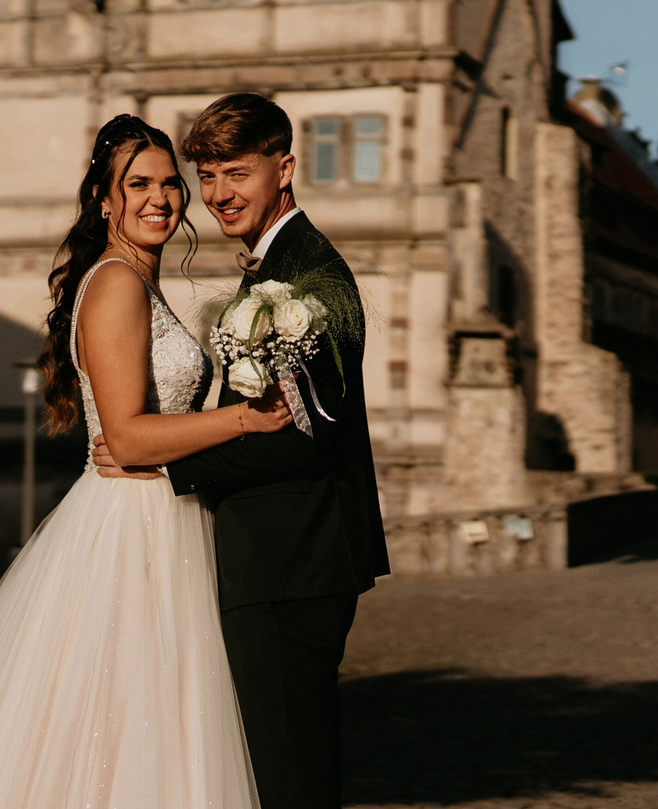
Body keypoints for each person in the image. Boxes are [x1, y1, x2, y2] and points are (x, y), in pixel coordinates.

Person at [0, 115, 288, 809]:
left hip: (161, 510)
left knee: (136, 723)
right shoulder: (118, 282)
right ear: (103, 196)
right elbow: (123, 438)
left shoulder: (134, 281)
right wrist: (248, 416)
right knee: (117, 720)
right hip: (132, 526)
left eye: (168, 184)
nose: (161, 198)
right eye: (138, 184)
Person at [93, 94, 388, 809]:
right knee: (277, 768)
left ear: (283, 168)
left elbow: (301, 436)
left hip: (292, 557)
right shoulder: (272, 267)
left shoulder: (310, 277)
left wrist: (164, 459)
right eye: (210, 175)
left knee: (291, 773)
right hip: (279, 555)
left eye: (237, 172)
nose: (219, 193)